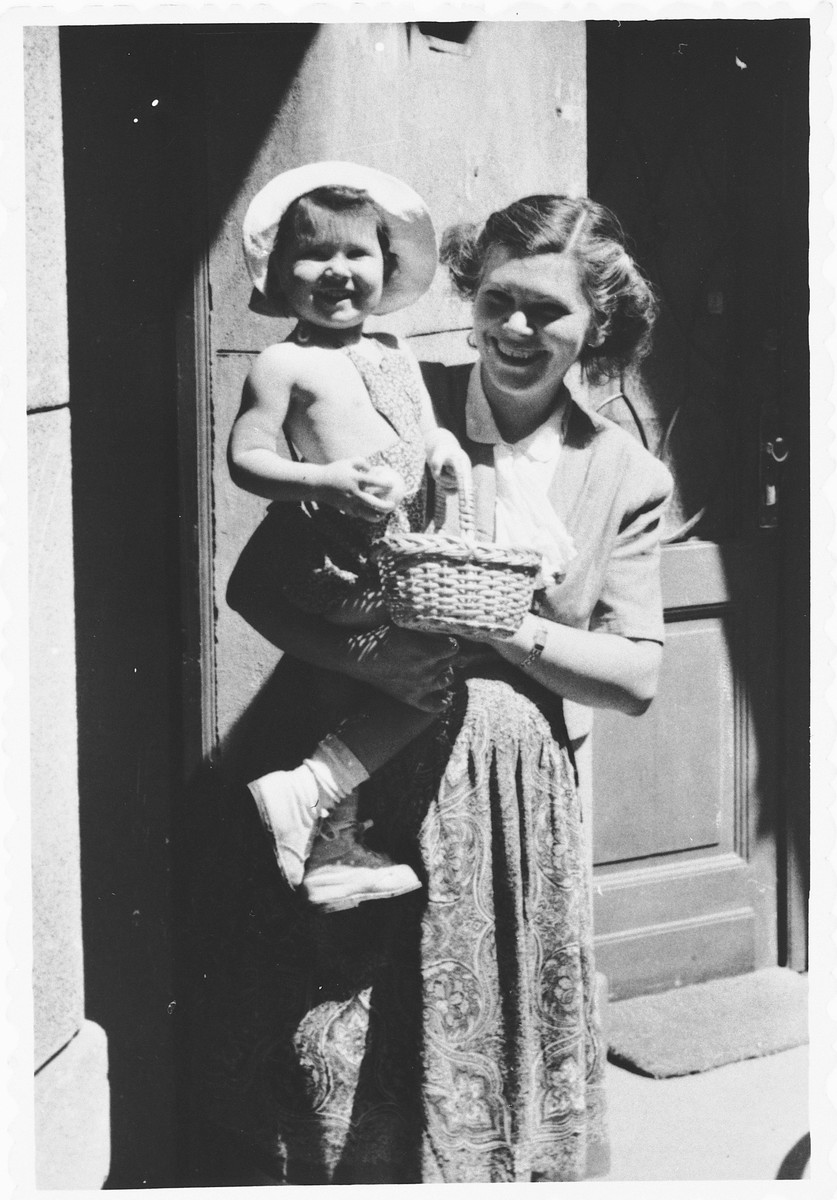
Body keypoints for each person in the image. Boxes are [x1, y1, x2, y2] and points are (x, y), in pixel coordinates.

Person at [197, 192, 673, 1183]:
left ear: (596, 327)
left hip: (507, 805)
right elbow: (254, 586)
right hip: (371, 791)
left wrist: (510, 626)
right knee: (354, 1058)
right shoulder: (395, 401)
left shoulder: (620, 469)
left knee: (489, 1060)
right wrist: (369, 659)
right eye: (497, 300)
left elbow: (635, 675)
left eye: (548, 312)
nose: (513, 330)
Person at [231, 162, 472, 911]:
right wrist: (322, 481)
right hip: (342, 557)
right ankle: (311, 797)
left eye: (357, 254)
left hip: (404, 552)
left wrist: (443, 448)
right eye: (314, 254)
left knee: (390, 683)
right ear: (276, 273)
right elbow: (248, 456)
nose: (337, 271)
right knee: (421, 678)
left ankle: (330, 838)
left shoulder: (393, 350)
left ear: (387, 266)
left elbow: (420, 427)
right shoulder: (285, 362)